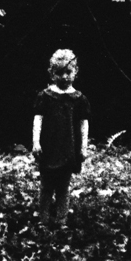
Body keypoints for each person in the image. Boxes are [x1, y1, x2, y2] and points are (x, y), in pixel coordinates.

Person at [31, 48, 90, 234]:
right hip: (49, 147)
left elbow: (84, 123)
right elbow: (37, 119)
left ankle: (62, 221)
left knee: (64, 187)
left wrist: (83, 147)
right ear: (51, 73)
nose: (64, 77)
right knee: (46, 185)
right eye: (59, 72)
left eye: (68, 72)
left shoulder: (79, 99)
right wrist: (36, 142)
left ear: (76, 72)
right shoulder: (45, 96)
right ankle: (43, 220)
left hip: (68, 149)